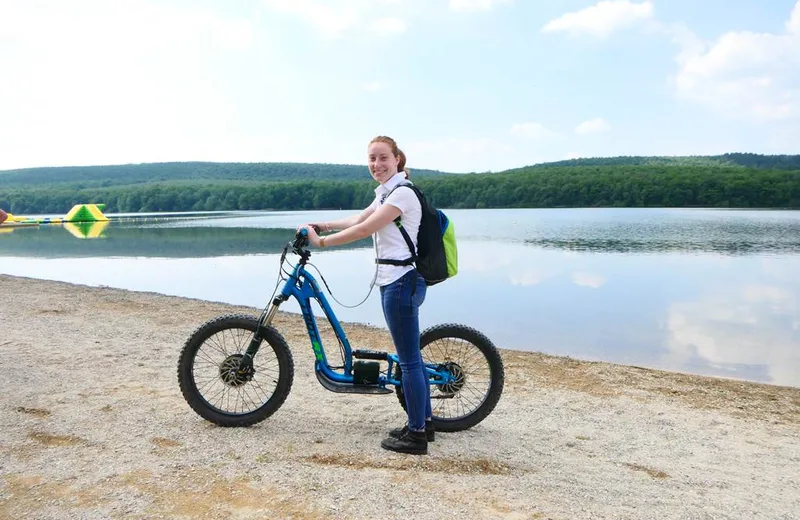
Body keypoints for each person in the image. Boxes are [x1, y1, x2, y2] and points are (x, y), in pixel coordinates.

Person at [298, 135, 433, 455]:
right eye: (371, 159)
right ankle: (424, 423)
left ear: (397, 159)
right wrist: (323, 225)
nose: (377, 164)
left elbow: (364, 230)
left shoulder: (403, 195)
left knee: (411, 361)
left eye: (383, 158)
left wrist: (322, 244)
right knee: (410, 357)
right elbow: (359, 218)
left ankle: (416, 436)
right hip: (394, 281)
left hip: (401, 282)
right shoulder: (387, 193)